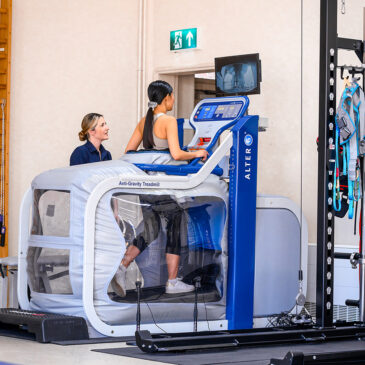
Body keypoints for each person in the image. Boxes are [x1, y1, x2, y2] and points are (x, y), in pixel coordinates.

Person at [112, 80, 208, 296]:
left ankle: (122, 266)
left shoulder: (143, 122)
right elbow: (176, 154)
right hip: (163, 187)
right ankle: (173, 281)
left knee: (151, 229)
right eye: (172, 96)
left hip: (146, 187)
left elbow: (128, 152)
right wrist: (197, 153)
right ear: (167, 98)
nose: (173, 100)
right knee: (177, 222)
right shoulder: (169, 121)